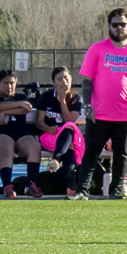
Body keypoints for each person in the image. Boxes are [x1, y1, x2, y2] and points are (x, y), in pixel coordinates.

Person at [71, 8, 127, 200]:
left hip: (126, 114)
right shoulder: (97, 49)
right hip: (98, 113)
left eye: (122, 24)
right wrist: (88, 106)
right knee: (91, 153)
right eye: (114, 25)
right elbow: (87, 81)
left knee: (121, 154)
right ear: (109, 26)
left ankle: (116, 190)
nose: (118, 28)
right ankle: (82, 190)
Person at [0, 70, 43, 198]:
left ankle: (31, 185)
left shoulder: (20, 96)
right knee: (7, 146)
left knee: (34, 146)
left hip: (20, 136)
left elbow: (27, 108)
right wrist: (17, 105)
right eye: (5, 83)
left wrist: (5, 112)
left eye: (12, 83)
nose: (9, 86)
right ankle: (7, 186)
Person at [35, 66, 85, 196]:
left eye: (66, 78)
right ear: (53, 83)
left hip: (69, 136)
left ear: (71, 80)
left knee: (69, 129)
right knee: (71, 144)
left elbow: (70, 120)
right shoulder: (46, 97)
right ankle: (71, 185)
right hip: (50, 136)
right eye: (59, 79)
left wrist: (62, 101)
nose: (64, 82)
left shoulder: (76, 98)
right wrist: (48, 128)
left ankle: (56, 161)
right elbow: (39, 122)